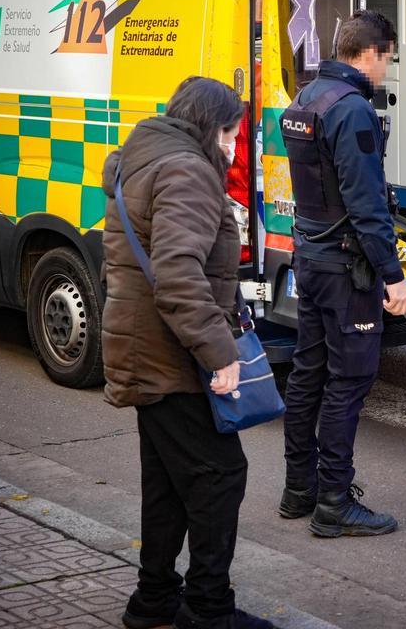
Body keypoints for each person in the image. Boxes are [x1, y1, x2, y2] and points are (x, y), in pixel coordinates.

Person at [102, 77, 272, 629]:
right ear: (210, 126)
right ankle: (207, 608)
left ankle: (152, 603)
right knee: (220, 475)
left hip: (144, 346)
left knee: (169, 480)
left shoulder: (144, 158)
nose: (232, 145)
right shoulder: (188, 172)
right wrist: (220, 355)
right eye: (231, 133)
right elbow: (178, 275)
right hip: (169, 356)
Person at [279, 11, 406, 537]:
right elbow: (365, 203)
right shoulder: (352, 108)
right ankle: (334, 501)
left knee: (308, 374)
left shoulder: (304, 99)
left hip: (309, 258)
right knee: (348, 380)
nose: (387, 70)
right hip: (345, 268)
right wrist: (393, 273)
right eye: (389, 59)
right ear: (373, 52)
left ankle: (299, 490)